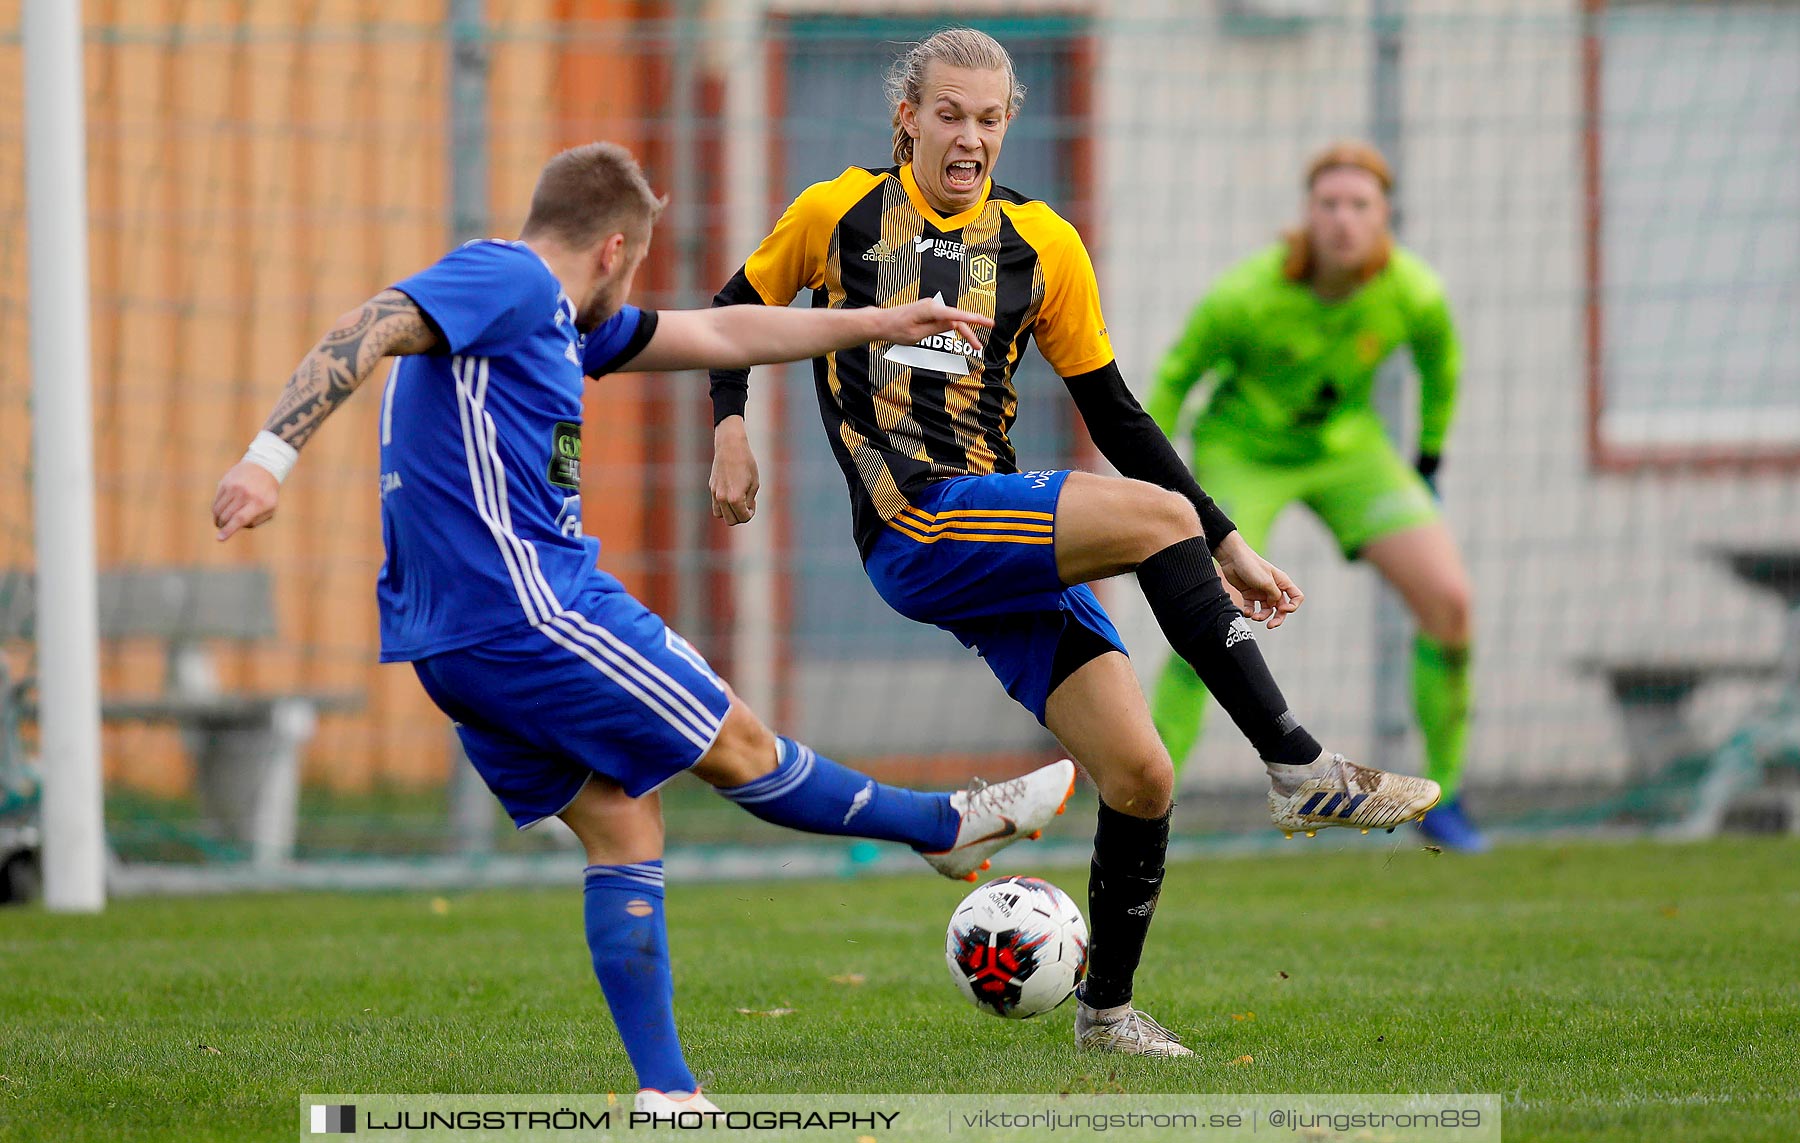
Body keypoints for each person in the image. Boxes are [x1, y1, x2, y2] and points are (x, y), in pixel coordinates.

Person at [210, 141, 1078, 1111]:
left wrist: (878, 319)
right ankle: (939, 827)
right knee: (739, 743)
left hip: (446, 641)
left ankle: (668, 1092)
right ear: (616, 247)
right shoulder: (511, 280)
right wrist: (264, 460)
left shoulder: (553, 325)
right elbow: (368, 323)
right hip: (530, 607)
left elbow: (714, 338)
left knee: (624, 825)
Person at [706, 29, 1441, 1058]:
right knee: (1152, 517)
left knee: (1141, 775)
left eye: (991, 118)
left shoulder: (1043, 244)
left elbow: (1117, 410)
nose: (971, 136)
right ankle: (1296, 762)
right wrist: (730, 427)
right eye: (951, 114)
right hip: (916, 518)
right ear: (907, 118)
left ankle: (1107, 1017)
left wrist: (1222, 540)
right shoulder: (837, 213)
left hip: (997, 525)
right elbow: (734, 312)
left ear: (1010, 124)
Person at [1146, 142, 1483, 852]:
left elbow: (1440, 365)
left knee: (1451, 604)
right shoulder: (1247, 294)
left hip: (1348, 450)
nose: (1342, 219)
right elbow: (1175, 376)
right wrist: (1163, 479)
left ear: (1384, 216)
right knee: (1209, 611)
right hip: (1242, 452)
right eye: (1328, 204)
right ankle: (1148, 796)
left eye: (1359, 205)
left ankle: (1446, 798)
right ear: (1307, 215)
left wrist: (1427, 456)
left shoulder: (1413, 292)